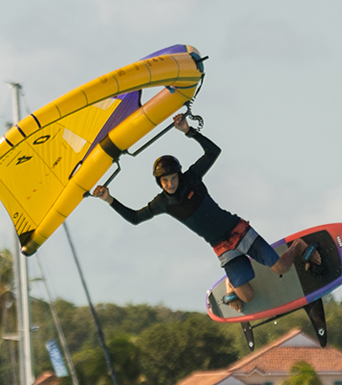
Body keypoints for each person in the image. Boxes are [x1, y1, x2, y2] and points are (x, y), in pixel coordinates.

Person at [92, 113, 319, 312]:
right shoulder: (162, 203)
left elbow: (213, 151)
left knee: (281, 267)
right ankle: (231, 283)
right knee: (248, 296)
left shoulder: (192, 178)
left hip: (237, 230)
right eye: (165, 181)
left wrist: (188, 131)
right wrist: (108, 199)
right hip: (221, 247)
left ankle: (298, 246)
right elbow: (134, 218)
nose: (170, 184)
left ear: (178, 175)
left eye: (172, 178)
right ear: (159, 183)